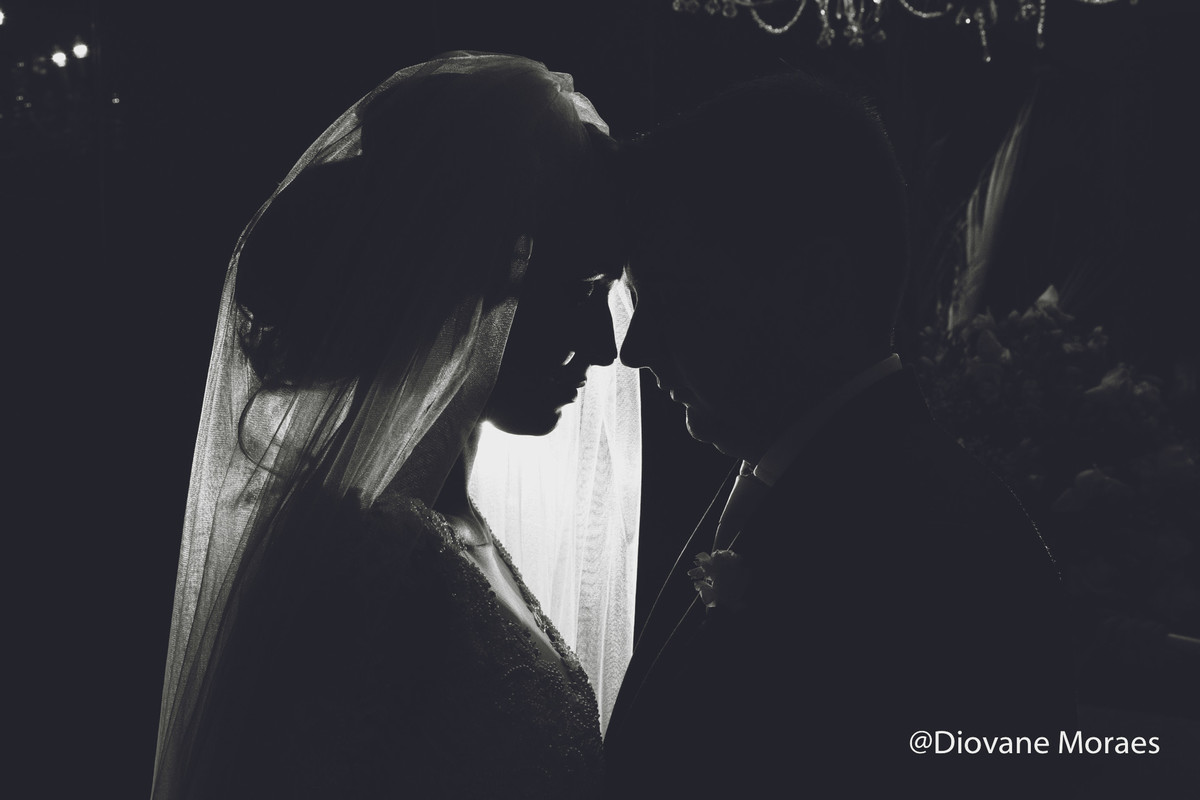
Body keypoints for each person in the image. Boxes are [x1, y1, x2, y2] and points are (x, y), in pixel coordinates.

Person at [151, 52, 641, 800]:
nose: (605, 348)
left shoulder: (444, 530)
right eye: (580, 292)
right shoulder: (362, 558)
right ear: (468, 287)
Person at [604, 72, 1077, 797]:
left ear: (817, 290)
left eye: (675, 299)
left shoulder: (936, 545)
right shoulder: (777, 479)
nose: (634, 349)